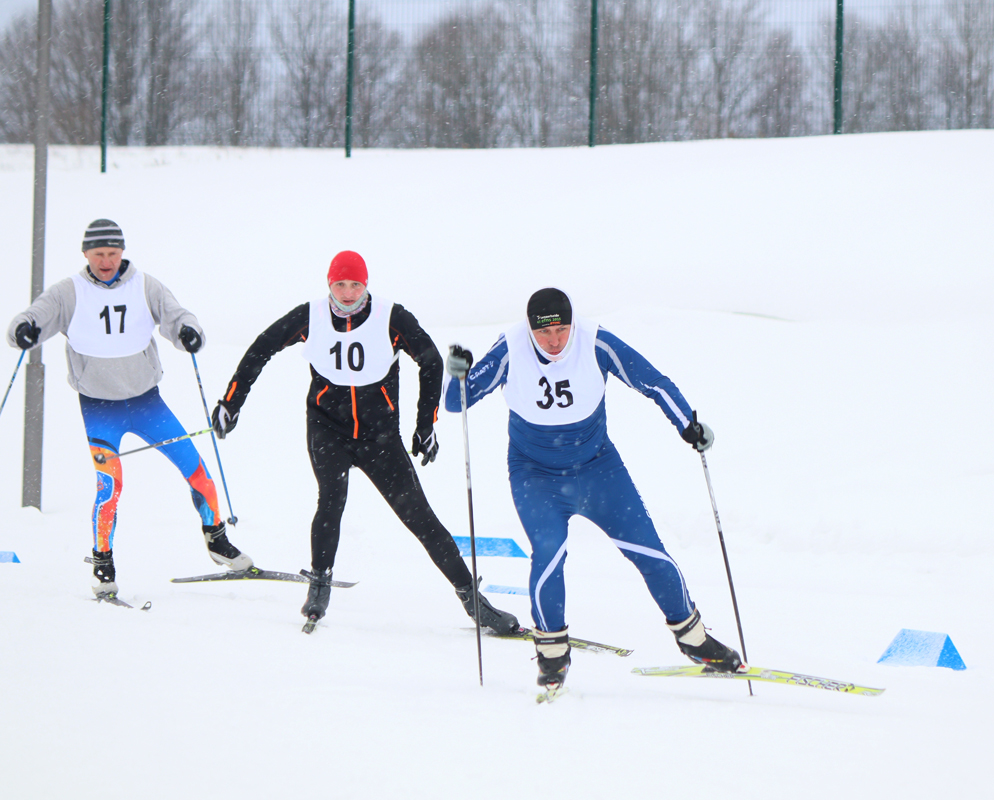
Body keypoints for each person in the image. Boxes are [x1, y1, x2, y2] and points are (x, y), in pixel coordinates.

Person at [443, 287, 743, 691]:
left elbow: (651, 381)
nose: (553, 341)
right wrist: (458, 373)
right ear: (530, 329)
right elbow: (456, 403)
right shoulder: (510, 348)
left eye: (561, 330)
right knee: (548, 554)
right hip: (536, 475)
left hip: (598, 469)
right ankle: (552, 655)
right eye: (544, 333)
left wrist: (686, 423)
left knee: (650, 552)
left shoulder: (595, 340)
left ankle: (694, 640)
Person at [209, 250, 519, 633]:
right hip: (328, 429)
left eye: (355, 284)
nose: (348, 292)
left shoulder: (391, 316)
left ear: (366, 284)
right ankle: (319, 584)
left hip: (379, 436)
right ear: (329, 285)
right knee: (331, 500)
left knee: (419, 517)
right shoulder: (312, 315)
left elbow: (432, 360)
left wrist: (426, 426)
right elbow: (262, 347)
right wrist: (232, 402)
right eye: (340, 284)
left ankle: (474, 601)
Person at [5, 219, 251, 600]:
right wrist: (25, 329)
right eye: (99, 254)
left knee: (197, 470)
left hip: (146, 402)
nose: (106, 261)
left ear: (123, 253)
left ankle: (216, 539)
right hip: (100, 407)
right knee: (110, 487)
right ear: (86, 254)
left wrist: (189, 332)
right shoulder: (69, 292)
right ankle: (103, 564)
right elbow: (35, 315)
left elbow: (176, 315)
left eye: (113, 254)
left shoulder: (144, 285)